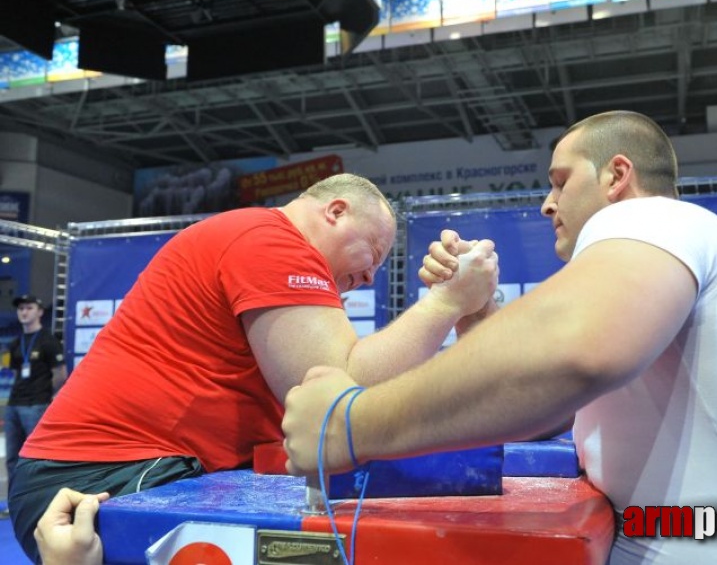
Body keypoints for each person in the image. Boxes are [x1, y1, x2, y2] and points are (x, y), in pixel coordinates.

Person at [281, 112, 717, 564]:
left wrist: (350, 424)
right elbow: (555, 408)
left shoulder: (655, 217)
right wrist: (475, 311)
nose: (547, 202)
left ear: (617, 176)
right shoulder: (688, 250)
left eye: (561, 180)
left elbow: (573, 350)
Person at [10, 173, 499, 563]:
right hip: (97, 477)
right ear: (335, 211)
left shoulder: (263, 246)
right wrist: (446, 302)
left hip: (140, 469)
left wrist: (467, 311)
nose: (370, 277)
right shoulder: (270, 240)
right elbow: (339, 397)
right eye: (372, 254)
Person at [3, 295, 65, 493]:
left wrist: (46, 393)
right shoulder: (15, 343)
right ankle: (15, 502)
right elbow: (14, 371)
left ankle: (38, 499)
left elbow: (61, 374)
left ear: (39, 312)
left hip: (37, 404)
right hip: (14, 404)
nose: (24, 312)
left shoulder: (48, 340)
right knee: (13, 457)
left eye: (29, 308)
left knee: (36, 457)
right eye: (21, 308)